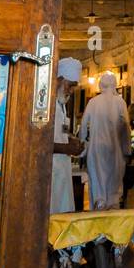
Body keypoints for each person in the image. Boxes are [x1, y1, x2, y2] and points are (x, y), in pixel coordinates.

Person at [79, 72, 132, 210]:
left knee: (97, 177)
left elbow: (84, 125)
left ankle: (99, 202)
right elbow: (126, 126)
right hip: (116, 149)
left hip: (96, 148)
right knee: (114, 179)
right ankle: (112, 206)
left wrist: (82, 147)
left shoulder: (93, 102)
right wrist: (127, 149)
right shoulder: (120, 102)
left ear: (101, 85)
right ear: (114, 84)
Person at [50, 57, 83, 214]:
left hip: (62, 167)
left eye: (73, 87)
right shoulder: (46, 106)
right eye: (70, 86)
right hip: (50, 169)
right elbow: (38, 142)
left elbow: (59, 134)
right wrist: (66, 147)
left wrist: (71, 140)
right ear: (59, 79)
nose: (71, 91)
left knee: (62, 212)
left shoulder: (61, 105)